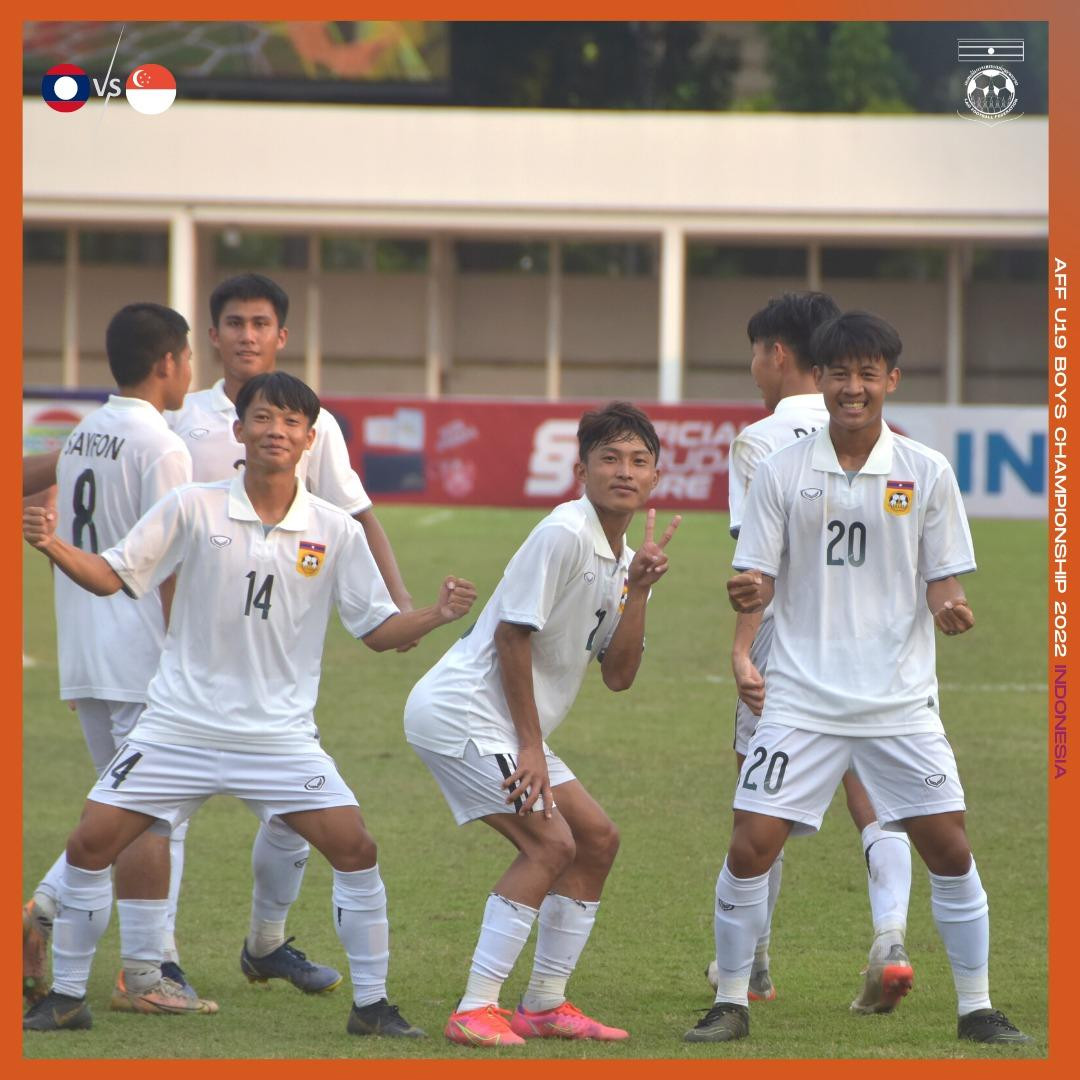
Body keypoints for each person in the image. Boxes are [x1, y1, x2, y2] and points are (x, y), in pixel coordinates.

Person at [22, 371, 477, 1035]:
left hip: (278, 739)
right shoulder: (192, 506)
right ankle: (65, 999)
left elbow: (378, 630)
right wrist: (53, 545)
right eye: (263, 418)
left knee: (356, 848)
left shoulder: (334, 529)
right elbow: (112, 575)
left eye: (291, 422)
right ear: (239, 430)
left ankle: (373, 1007)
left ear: (310, 440)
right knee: (89, 843)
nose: (275, 431)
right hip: (177, 729)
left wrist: (436, 614)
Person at [685, 311, 1031, 1046]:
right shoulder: (781, 470)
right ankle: (732, 1000)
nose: (853, 387)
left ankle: (977, 1008)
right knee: (751, 844)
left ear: (890, 380)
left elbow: (943, 581)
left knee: (949, 847)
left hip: (898, 700)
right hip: (800, 696)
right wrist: (749, 592)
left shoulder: (926, 471)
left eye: (867, 374)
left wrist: (951, 609)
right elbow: (759, 575)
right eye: (840, 373)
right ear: (821, 379)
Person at [165, 272, 416, 994]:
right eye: (234, 323)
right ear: (212, 336)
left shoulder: (314, 421)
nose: (247, 335)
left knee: (292, 805)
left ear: (282, 335)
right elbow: (157, 537)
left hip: (271, 656)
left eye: (260, 323)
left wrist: (398, 605)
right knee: (154, 809)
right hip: (177, 653)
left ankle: (266, 942)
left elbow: (355, 513)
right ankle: (153, 960)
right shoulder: (181, 420)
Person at [405, 401, 680, 1047]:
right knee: (551, 845)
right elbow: (511, 635)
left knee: (598, 839)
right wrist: (531, 746)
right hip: (463, 713)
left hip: (505, 722)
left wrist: (640, 589)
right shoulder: (563, 532)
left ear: (655, 478)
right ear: (581, 470)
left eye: (639, 460)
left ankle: (545, 1005)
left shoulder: (623, 558)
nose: (624, 471)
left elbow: (619, 676)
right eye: (609, 458)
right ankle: (475, 1008)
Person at [705, 293, 914, 1014]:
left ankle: (753, 964)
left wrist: (742, 650)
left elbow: (756, 567)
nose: (754, 369)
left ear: (778, 353)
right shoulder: (886, 436)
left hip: (789, 643)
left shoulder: (761, 441)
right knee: (876, 793)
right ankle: (890, 936)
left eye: (755, 355)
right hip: (878, 644)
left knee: (761, 804)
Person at [22, 303, 208, 1014]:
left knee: (125, 806)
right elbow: (172, 561)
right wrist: (187, 657)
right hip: (141, 656)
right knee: (150, 816)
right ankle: (143, 974)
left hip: (87, 649)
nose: (190, 371)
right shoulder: (162, 445)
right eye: (187, 358)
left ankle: (47, 912)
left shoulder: (84, 432)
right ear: (167, 362)